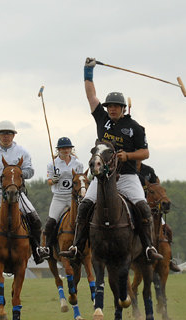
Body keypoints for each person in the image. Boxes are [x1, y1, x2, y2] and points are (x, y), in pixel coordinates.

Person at [60, 57, 163, 262]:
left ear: (123, 108)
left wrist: (128, 156)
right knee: (85, 206)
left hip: (126, 176)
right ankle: (77, 246)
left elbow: (145, 153)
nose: (112, 109)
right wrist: (88, 71)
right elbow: (91, 95)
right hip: (102, 177)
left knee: (142, 206)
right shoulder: (102, 119)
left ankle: (149, 247)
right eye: (110, 106)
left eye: (116, 106)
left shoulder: (135, 127)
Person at [0, 120, 50, 266]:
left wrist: (17, 173)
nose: (6, 136)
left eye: (9, 133)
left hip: (18, 194)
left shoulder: (22, 152)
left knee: (35, 219)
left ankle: (37, 249)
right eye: (2, 133)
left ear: (13, 135)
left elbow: (30, 171)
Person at [136, 161, 181, 272]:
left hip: (150, 207)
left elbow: (156, 185)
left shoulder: (149, 170)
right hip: (135, 207)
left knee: (168, 229)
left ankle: (169, 259)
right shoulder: (128, 170)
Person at [43, 137, 84, 253]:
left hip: (74, 198)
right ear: (58, 150)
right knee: (51, 222)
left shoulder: (78, 163)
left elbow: (81, 179)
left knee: (84, 220)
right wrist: (54, 180)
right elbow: (49, 181)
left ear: (71, 149)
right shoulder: (52, 164)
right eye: (63, 148)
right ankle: (47, 247)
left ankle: (86, 246)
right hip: (59, 198)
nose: (66, 150)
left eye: (68, 148)